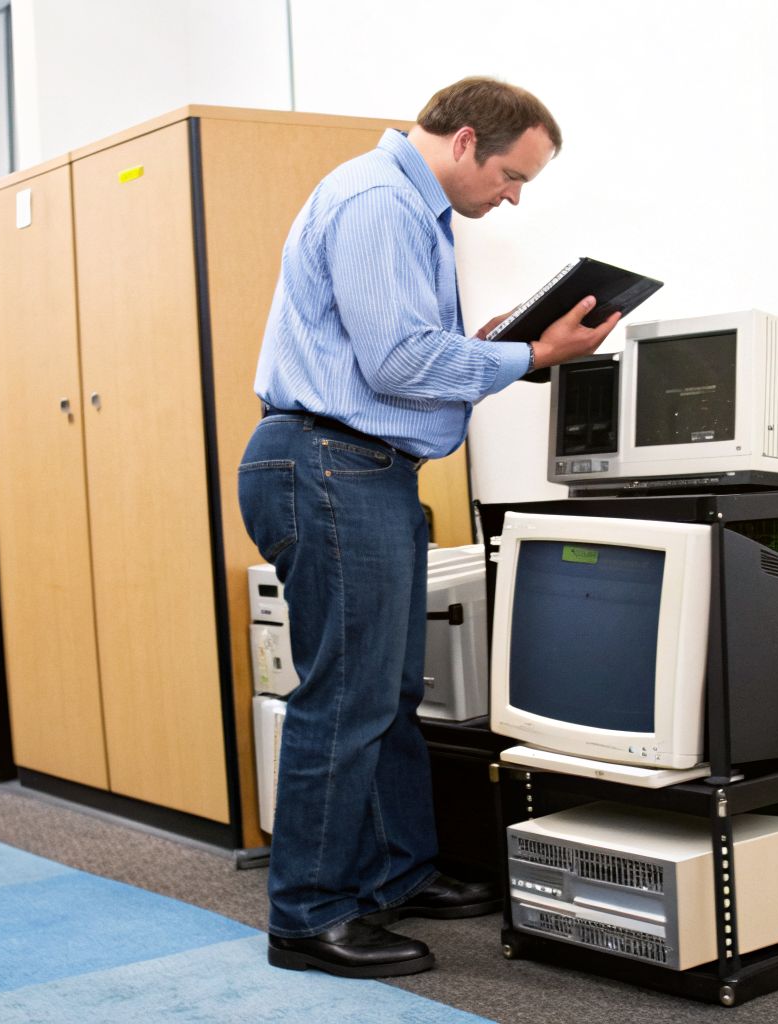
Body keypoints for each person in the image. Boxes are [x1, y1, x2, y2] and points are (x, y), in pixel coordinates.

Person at [238, 77, 620, 979]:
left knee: (387, 695)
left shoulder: (409, 207)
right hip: (331, 463)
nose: (513, 197)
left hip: (356, 466)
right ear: (465, 141)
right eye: (512, 175)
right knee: (347, 699)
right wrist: (531, 353)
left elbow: (395, 350)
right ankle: (308, 916)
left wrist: (489, 347)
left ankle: (395, 874)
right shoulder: (378, 201)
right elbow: (399, 362)